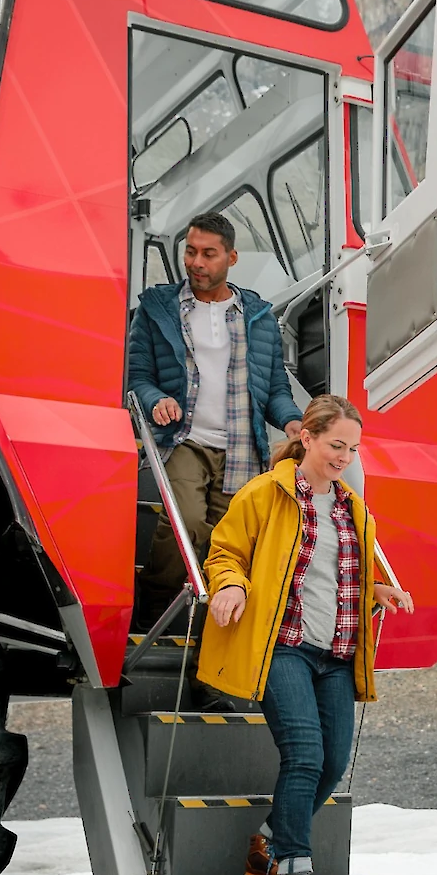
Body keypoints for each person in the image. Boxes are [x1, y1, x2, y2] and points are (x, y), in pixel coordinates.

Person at [197, 393, 413, 875]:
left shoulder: (351, 506)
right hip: (285, 646)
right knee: (305, 754)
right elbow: (225, 550)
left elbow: (340, 575)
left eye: (353, 448)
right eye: (335, 444)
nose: (343, 456)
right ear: (309, 438)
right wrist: (230, 585)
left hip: (336, 653)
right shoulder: (266, 493)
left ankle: (266, 843)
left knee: (332, 762)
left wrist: (378, 589)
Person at [126, 212, 302, 611]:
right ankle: (152, 608)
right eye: (190, 252)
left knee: (231, 541)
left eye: (208, 254)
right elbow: (136, 378)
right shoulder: (157, 309)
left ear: (231, 258)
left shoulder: (258, 318)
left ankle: (210, 627)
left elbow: (274, 388)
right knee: (186, 525)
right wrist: (157, 401)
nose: (196, 263)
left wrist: (292, 421)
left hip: (242, 450)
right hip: (185, 440)